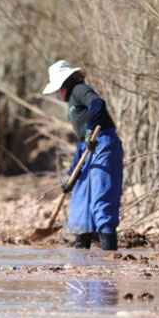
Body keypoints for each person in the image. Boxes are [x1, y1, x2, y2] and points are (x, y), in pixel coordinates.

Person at [42, 60, 123, 250]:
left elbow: (97, 103)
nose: (57, 93)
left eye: (57, 89)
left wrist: (89, 130)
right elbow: (81, 144)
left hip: (103, 143)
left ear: (63, 85)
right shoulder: (71, 100)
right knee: (80, 198)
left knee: (101, 195)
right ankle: (82, 254)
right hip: (88, 147)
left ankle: (110, 256)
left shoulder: (78, 89)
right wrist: (72, 176)